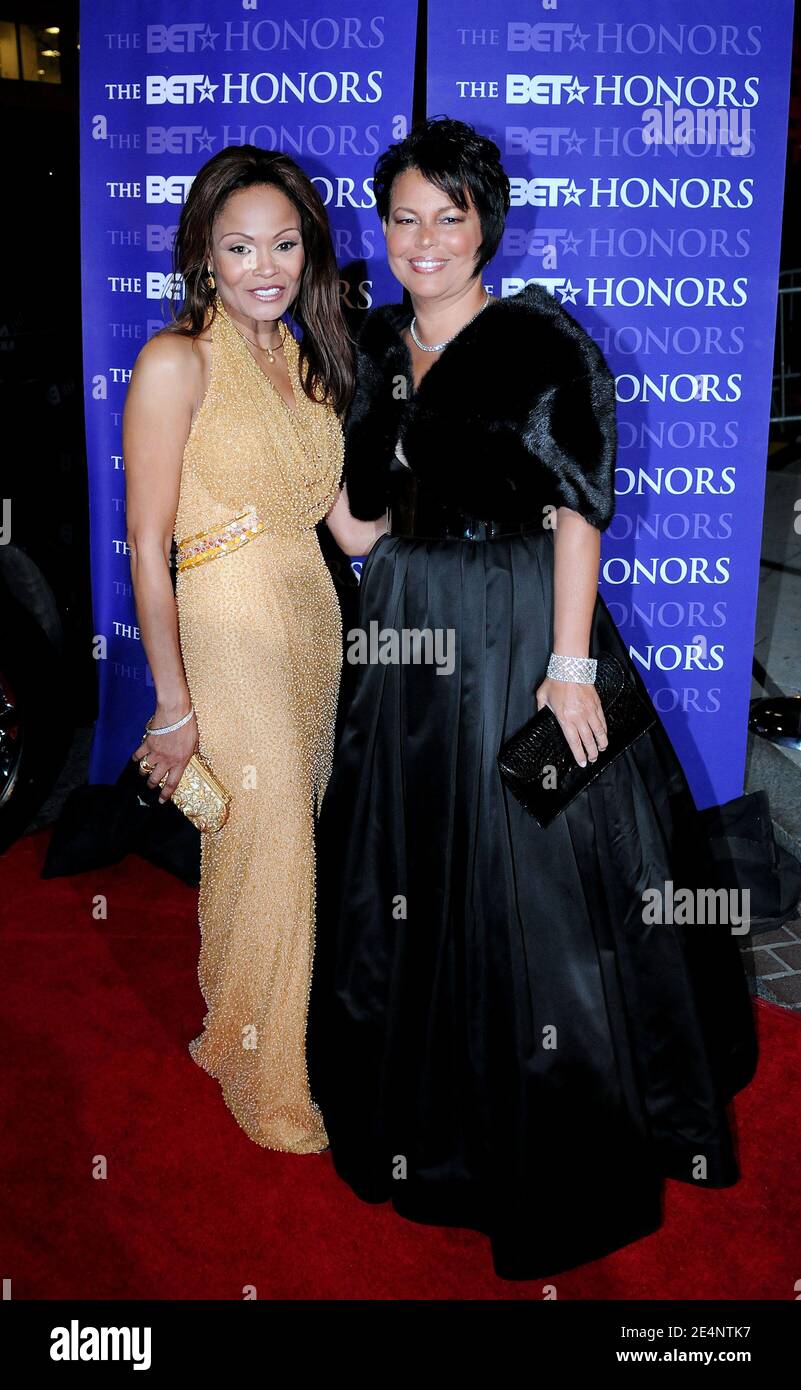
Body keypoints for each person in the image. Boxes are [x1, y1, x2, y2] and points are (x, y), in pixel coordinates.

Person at [306, 118, 759, 1276]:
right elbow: (360, 527)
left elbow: (576, 511)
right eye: (404, 216)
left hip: (517, 625)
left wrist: (568, 667)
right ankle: (431, 1115)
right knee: (410, 864)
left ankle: (562, 1117)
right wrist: (292, 475)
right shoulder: (367, 346)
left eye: (448, 217)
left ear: (484, 227)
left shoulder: (533, 342)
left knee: (539, 868)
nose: (424, 240)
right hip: (409, 631)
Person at [123, 146, 383, 1154]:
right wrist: (172, 703)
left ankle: (232, 1032)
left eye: (283, 242)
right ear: (206, 254)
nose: (264, 264)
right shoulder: (174, 359)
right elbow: (149, 542)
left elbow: (353, 531)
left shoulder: (309, 356)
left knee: (272, 844)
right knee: (273, 849)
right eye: (240, 246)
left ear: (308, 246)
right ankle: (269, 1084)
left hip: (313, 619)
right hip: (226, 625)